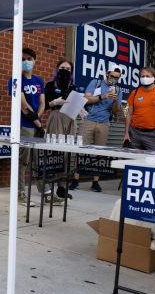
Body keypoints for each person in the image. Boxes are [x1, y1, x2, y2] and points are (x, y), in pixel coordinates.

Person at [7, 48, 60, 206]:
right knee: (22, 161)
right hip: (24, 125)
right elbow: (23, 106)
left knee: (40, 161)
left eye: (29, 58)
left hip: (37, 124)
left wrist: (39, 118)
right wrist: (38, 124)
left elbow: (42, 103)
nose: (26, 61)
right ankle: (20, 193)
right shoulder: (15, 80)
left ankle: (47, 193)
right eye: (23, 58)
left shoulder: (38, 81)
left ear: (35, 60)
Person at [70, 64, 123, 192]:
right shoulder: (96, 82)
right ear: (107, 73)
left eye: (117, 78)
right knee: (81, 150)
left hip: (104, 122)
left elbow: (117, 112)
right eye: (112, 76)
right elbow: (85, 99)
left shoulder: (118, 90)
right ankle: (76, 179)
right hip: (89, 120)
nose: (113, 80)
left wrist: (115, 101)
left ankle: (95, 181)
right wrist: (102, 97)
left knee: (100, 152)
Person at [44, 59, 76, 198]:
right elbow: (44, 105)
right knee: (54, 152)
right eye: (63, 67)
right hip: (56, 115)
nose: (65, 70)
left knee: (67, 153)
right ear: (57, 68)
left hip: (69, 117)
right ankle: (49, 186)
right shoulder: (50, 85)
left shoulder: (72, 86)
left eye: (68, 69)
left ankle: (62, 186)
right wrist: (54, 102)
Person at [123, 66, 155, 151]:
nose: (145, 78)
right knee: (130, 158)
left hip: (153, 134)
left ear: (154, 78)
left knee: (154, 160)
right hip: (134, 133)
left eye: (148, 76)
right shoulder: (134, 92)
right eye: (142, 76)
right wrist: (126, 133)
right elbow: (129, 113)